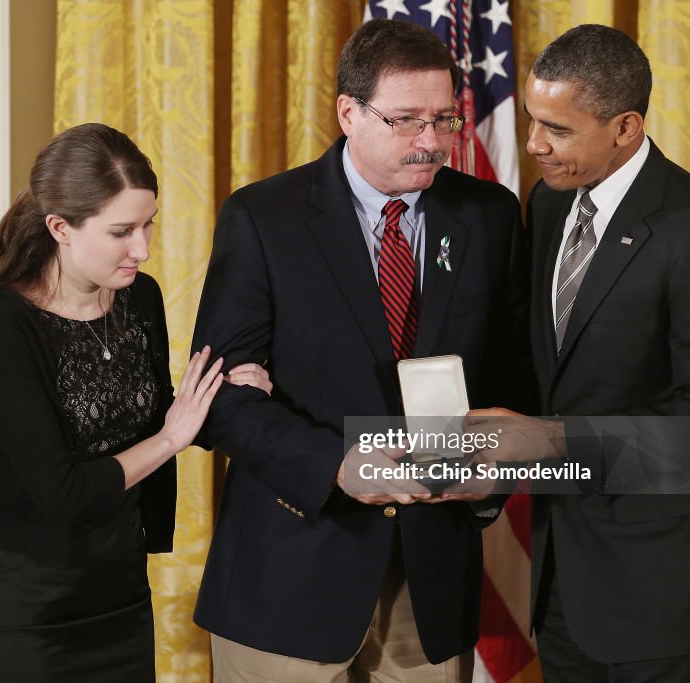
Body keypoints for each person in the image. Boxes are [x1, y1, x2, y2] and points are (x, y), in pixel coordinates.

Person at [190, 18, 535, 682]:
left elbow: (512, 380)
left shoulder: (489, 216)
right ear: (349, 112)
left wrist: (494, 469)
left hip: (429, 583)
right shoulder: (263, 217)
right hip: (289, 576)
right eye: (406, 120)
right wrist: (337, 465)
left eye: (444, 120)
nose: (430, 142)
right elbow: (220, 400)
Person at [464, 24, 690, 682]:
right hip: (563, 581)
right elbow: (553, 375)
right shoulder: (547, 201)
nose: (533, 143)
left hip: (663, 593)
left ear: (624, 128)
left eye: (557, 129)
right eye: (533, 121)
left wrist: (548, 442)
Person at [0, 123, 270, 682]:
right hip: (29, 607)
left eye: (148, 225)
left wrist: (223, 400)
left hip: (120, 589)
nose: (143, 249)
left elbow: (155, 416)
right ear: (60, 228)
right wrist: (174, 437)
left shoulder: (139, 299)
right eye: (122, 231)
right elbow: (65, 493)